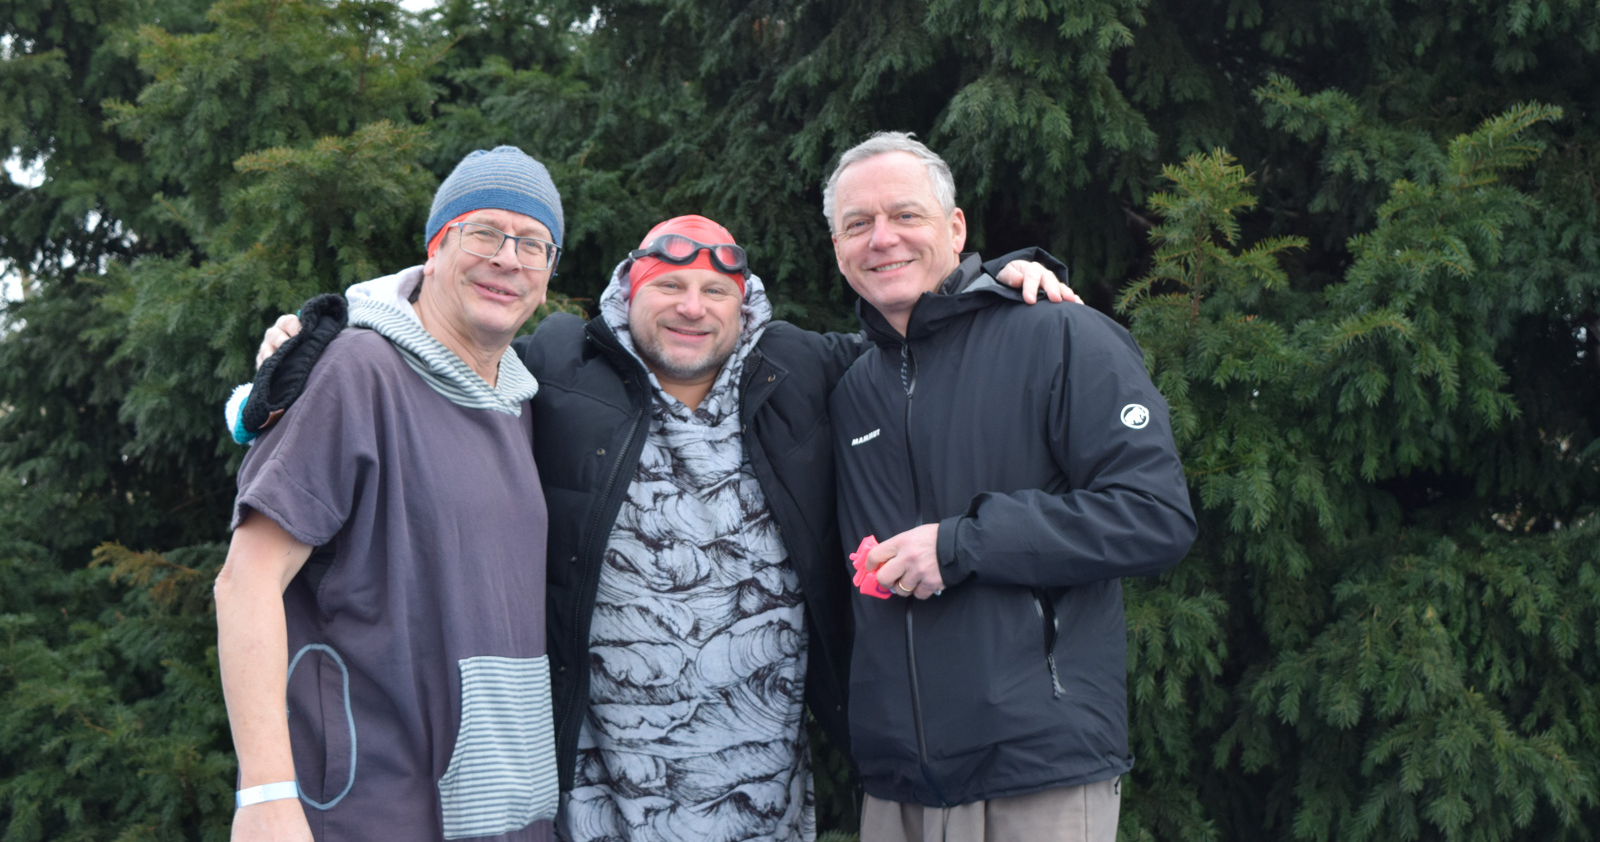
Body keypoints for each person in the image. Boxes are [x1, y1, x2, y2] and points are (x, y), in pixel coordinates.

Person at [234, 211, 1075, 842]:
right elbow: (448, 332)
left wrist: (999, 279)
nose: (691, 307)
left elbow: (914, 341)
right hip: (602, 800)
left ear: (745, 304)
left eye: (716, 291)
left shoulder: (801, 367)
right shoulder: (557, 364)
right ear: (627, 290)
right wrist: (316, 336)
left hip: (763, 796)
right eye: (669, 285)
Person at [823, 132, 1197, 842]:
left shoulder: (1061, 335)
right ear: (838, 247)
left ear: (955, 228)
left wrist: (960, 545)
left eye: (906, 215)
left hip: (1037, 779)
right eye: (857, 223)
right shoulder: (850, 388)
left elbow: (1154, 516)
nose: (882, 238)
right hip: (897, 788)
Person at [214, 146, 566, 842]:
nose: (508, 258)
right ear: (435, 248)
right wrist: (266, 794)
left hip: (505, 816)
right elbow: (245, 581)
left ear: (549, 274)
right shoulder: (360, 369)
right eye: (484, 233)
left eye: (533, 243)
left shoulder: (519, 404)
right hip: (371, 812)